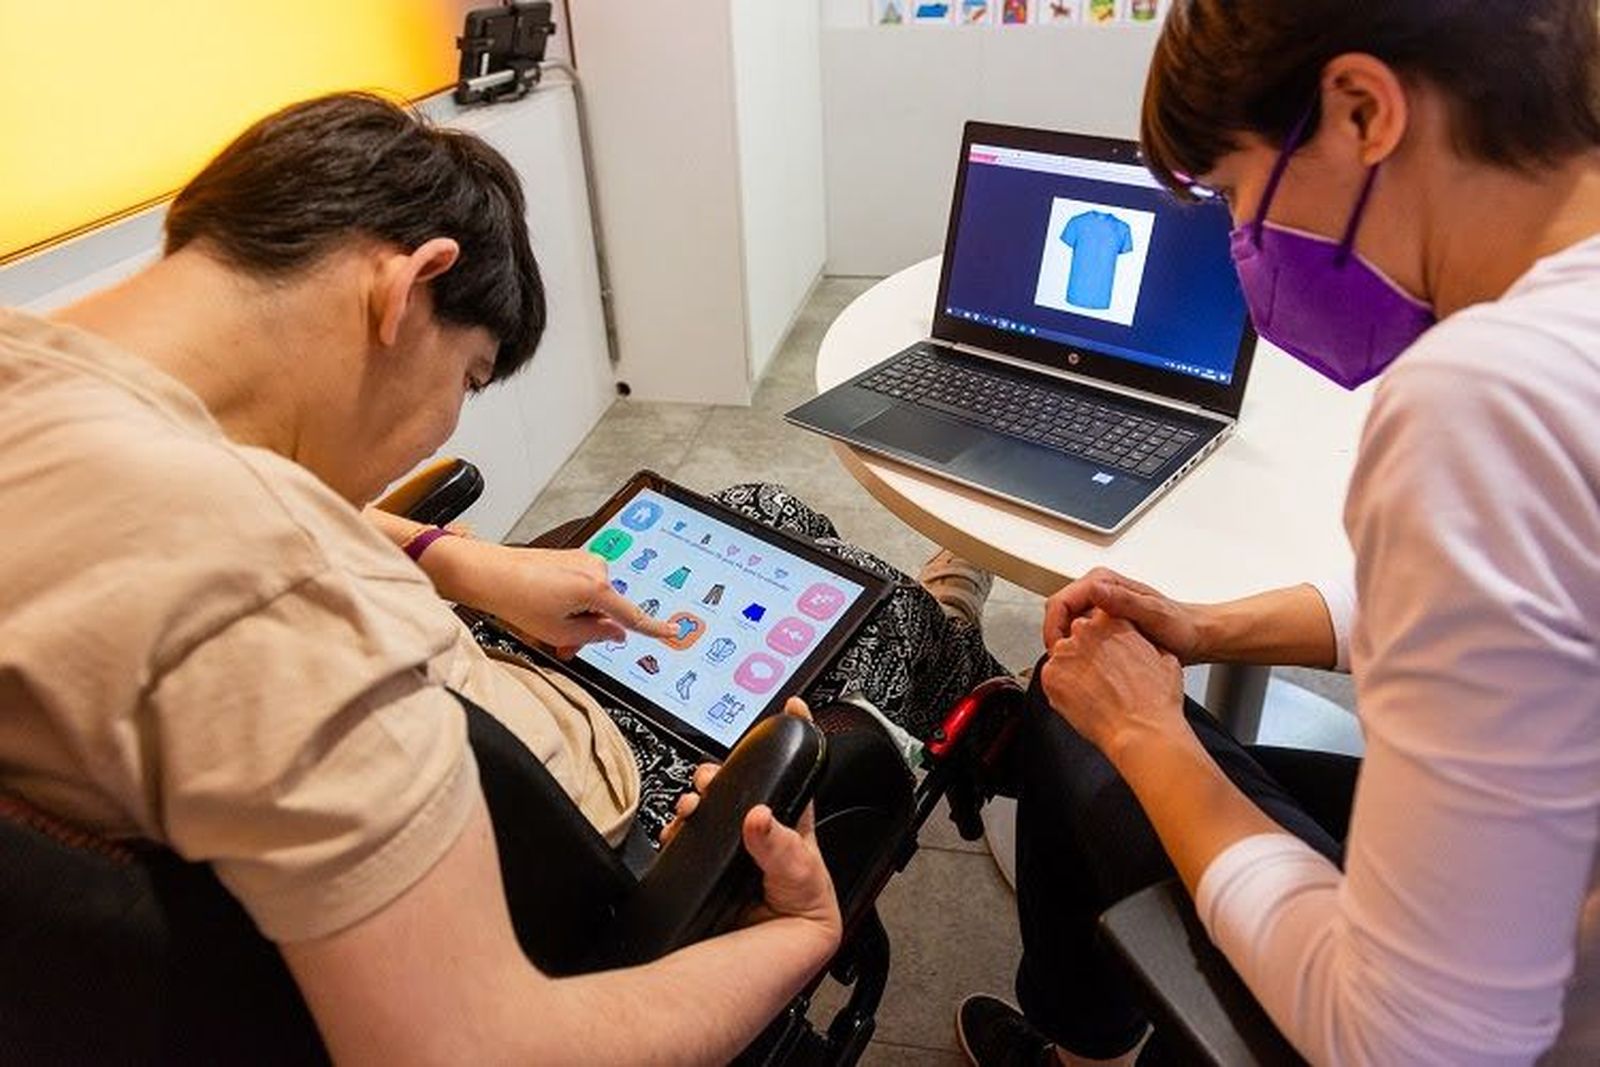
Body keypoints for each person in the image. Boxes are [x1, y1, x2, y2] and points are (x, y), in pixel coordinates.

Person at [0, 91, 1004, 1062]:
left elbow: (233, 492)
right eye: (468, 379)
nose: (442, 426)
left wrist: (463, 563)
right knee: (883, 612)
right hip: (590, 822)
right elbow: (480, 1048)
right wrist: (794, 936)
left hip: (475, 691)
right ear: (409, 287)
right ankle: (972, 662)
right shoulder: (284, 598)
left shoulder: (51, 382)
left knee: (764, 511)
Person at [957, 2, 1600, 1064]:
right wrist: (1202, 628)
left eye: (1236, 194)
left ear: (1360, 109)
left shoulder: (1491, 394)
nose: (1242, 247)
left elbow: (1407, 1040)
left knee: (1075, 718)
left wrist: (1144, 732)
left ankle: (1086, 1045)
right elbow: (1539, 600)